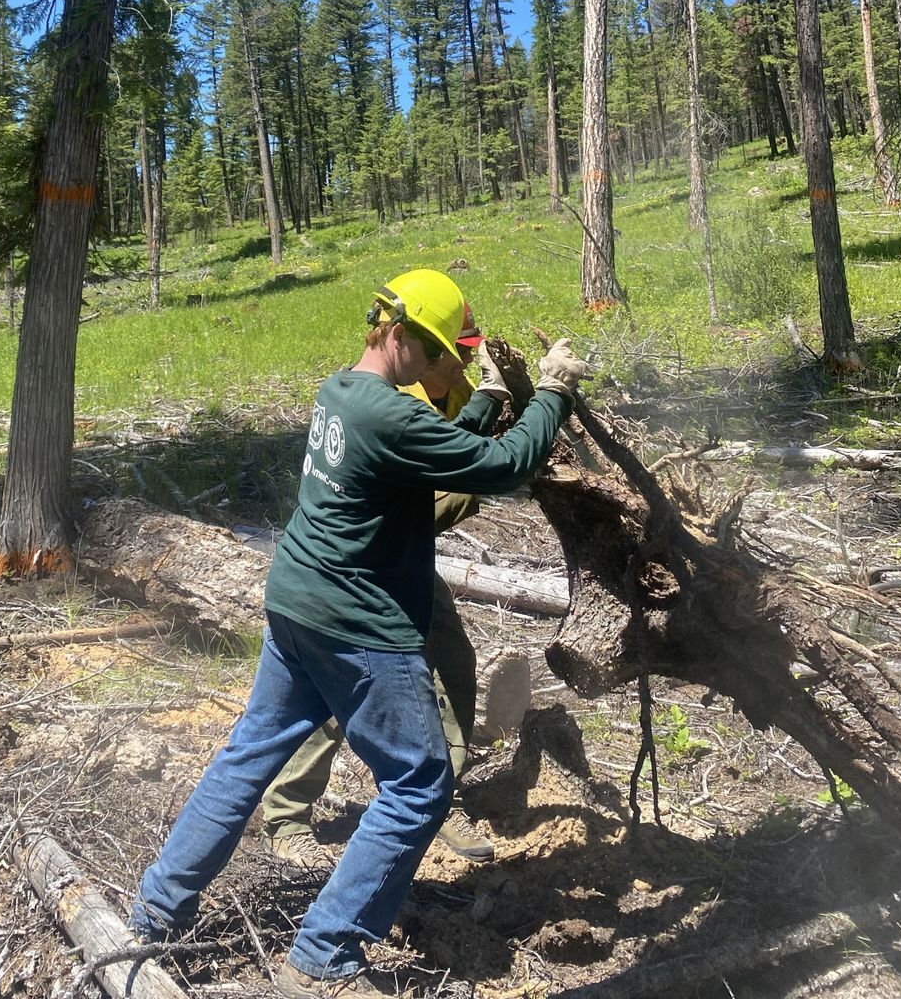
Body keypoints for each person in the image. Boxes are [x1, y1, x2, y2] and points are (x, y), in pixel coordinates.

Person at [131, 269, 590, 999]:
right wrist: (557, 394)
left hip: (298, 601)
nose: (455, 372)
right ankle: (324, 956)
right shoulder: (391, 415)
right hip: (357, 622)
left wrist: (484, 409)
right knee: (419, 784)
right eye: (448, 357)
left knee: (247, 755)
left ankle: (154, 912)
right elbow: (505, 469)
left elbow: (417, 457)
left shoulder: (342, 393)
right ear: (406, 339)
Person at [259, 303, 509, 868]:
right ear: (423, 345)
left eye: (469, 355)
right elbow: (439, 490)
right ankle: (287, 813)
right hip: (364, 563)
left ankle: (439, 793)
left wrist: (495, 405)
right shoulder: (402, 392)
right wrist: (492, 462)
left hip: (404, 556)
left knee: (452, 660)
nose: (461, 367)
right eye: (458, 356)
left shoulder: (445, 381)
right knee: (341, 686)